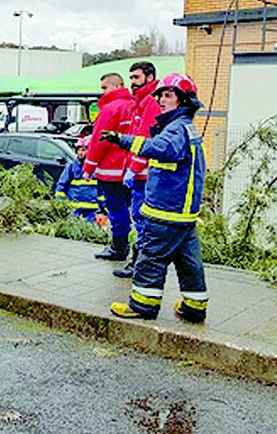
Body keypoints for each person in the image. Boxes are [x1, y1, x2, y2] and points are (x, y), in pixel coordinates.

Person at [101, 73, 209, 323]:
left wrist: (122, 140)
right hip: (183, 214)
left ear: (183, 101)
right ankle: (194, 307)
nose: (161, 100)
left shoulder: (175, 130)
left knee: (151, 258)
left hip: (165, 212)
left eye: (168, 95)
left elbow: (159, 148)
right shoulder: (186, 128)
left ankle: (142, 306)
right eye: (160, 95)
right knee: (189, 263)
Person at [114, 61, 162, 279]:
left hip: (143, 173)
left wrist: (134, 168)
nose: (132, 82)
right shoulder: (142, 101)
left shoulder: (150, 102)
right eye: (131, 77)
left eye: (136, 77)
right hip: (139, 172)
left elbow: (144, 140)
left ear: (149, 77)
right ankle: (138, 263)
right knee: (139, 218)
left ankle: (140, 265)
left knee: (140, 218)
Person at [82, 72, 134, 261]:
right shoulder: (134, 106)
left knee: (115, 208)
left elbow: (99, 141)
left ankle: (119, 248)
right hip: (130, 169)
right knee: (128, 208)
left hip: (110, 169)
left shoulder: (109, 109)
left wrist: (88, 167)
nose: (102, 92)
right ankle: (128, 246)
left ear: (117, 86)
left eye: (105, 87)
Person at [54, 136, 106, 222]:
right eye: (79, 150)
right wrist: (61, 203)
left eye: (83, 150)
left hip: (91, 211)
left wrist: (103, 207)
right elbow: (61, 186)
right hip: (74, 209)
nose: (80, 153)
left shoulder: (96, 168)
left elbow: (101, 190)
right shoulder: (71, 167)